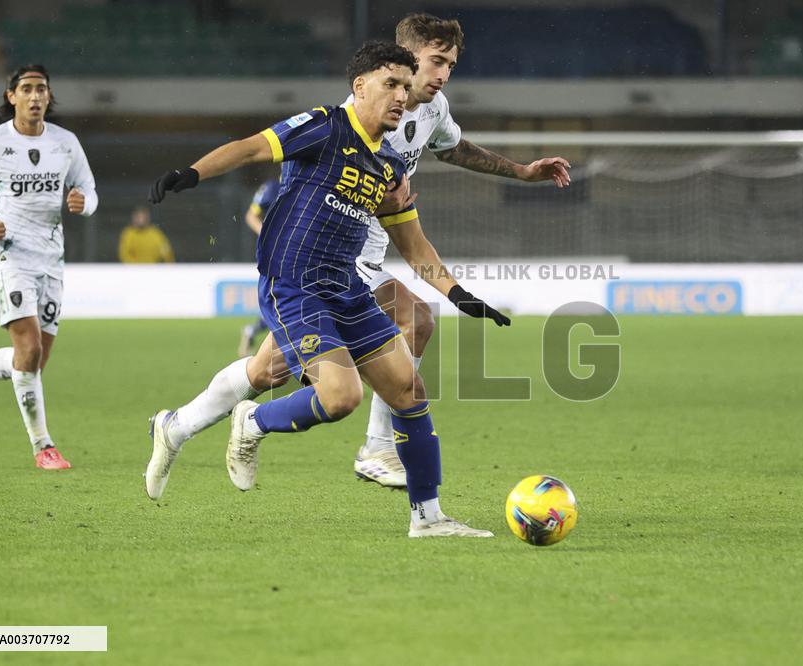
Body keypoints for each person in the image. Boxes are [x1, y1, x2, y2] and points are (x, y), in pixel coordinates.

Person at [148, 13, 571, 492]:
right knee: (387, 332)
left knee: (271, 370)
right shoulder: (353, 117)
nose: (443, 75)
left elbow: (452, 152)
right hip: (315, 258)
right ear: (401, 65)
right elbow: (260, 151)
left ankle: (178, 426)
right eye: (435, 62)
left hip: (360, 262)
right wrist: (194, 173)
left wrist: (521, 173)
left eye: (450, 65)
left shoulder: (431, 110)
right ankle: (368, 448)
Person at [0, 64, 98, 469]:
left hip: (52, 259)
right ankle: (42, 446)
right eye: (27, 89)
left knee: (31, 362)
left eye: (42, 89)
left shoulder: (65, 143)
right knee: (28, 350)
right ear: (10, 96)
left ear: (49, 96)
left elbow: (90, 189)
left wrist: (85, 204)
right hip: (8, 256)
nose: (35, 97)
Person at [237, 179, 281, 356]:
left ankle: (252, 331)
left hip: (299, 251)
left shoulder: (309, 184)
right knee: (280, 300)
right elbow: (251, 215)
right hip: (276, 253)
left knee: (281, 301)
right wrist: (266, 234)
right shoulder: (271, 188)